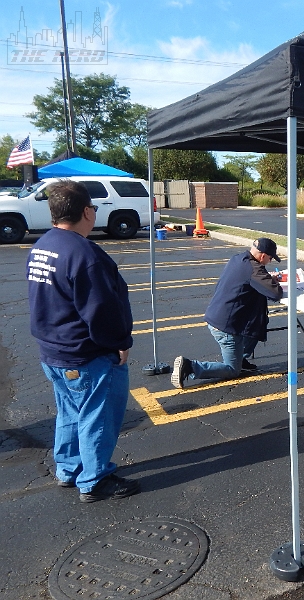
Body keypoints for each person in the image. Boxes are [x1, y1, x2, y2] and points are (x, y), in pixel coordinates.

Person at [27, 180, 140, 503]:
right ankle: (94, 479)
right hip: (86, 354)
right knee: (96, 417)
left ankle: (69, 469)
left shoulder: (43, 245)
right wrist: (119, 342)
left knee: (70, 413)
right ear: (87, 212)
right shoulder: (85, 255)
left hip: (53, 351)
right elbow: (101, 309)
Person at [172, 238, 283, 388]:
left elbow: (250, 278)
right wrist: (273, 281)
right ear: (263, 256)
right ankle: (190, 366)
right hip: (226, 327)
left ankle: (241, 358)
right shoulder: (254, 269)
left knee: (255, 327)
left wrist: (268, 278)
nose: (269, 262)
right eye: (270, 258)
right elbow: (276, 293)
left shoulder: (238, 259)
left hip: (218, 316)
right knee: (232, 370)